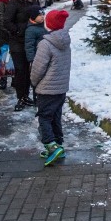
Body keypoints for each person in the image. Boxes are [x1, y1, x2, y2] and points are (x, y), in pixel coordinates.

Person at [30, 9, 71, 166]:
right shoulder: (65, 41)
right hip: (61, 88)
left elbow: (38, 68)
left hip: (47, 89)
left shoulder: (45, 44)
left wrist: (33, 82)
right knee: (55, 116)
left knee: (44, 117)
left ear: (49, 24)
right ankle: (58, 144)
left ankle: (51, 146)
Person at [3, 0, 41, 110]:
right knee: (20, 70)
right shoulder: (14, 3)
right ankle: (21, 97)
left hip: (31, 41)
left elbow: (39, 15)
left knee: (28, 71)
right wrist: (18, 31)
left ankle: (26, 95)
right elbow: (6, 21)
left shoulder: (34, 1)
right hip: (17, 42)